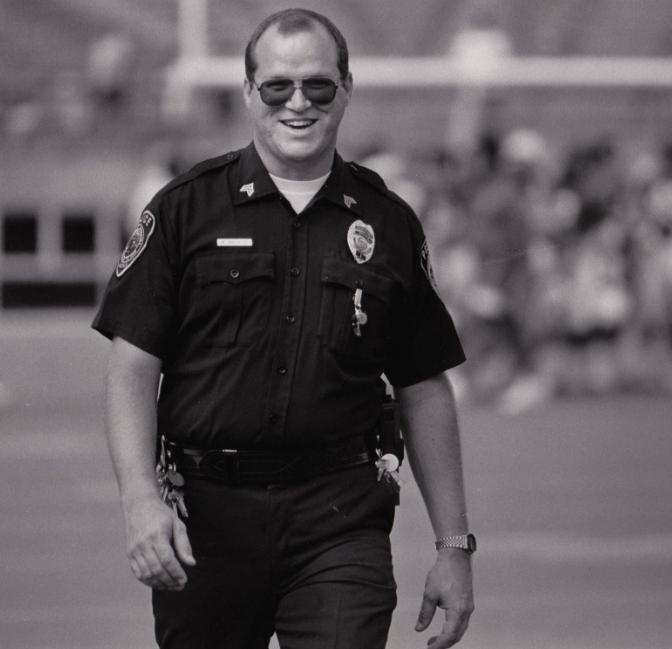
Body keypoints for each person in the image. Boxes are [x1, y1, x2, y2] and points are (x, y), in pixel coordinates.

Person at [92, 9, 474, 649]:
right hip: (205, 523)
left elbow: (423, 386)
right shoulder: (184, 209)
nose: (298, 102)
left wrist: (454, 546)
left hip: (341, 521)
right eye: (277, 87)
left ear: (346, 88)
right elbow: (132, 367)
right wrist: (139, 502)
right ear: (249, 93)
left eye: (318, 86)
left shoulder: (389, 223)